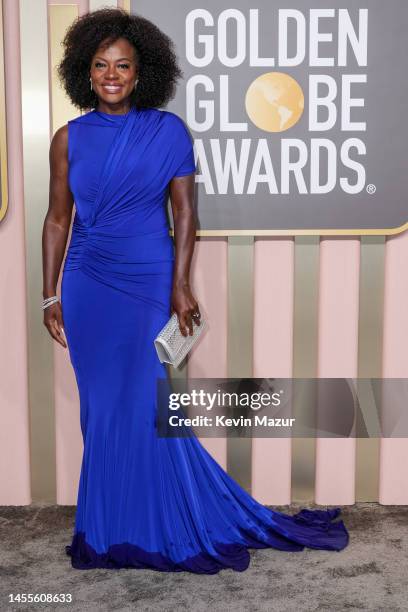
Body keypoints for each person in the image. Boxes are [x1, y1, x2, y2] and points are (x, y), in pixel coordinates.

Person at [42, 8, 349, 573]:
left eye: (124, 66)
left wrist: (180, 285)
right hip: (87, 283)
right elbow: (58, 219)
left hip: (147, 279)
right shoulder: (68, 139)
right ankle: (107, 529)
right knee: (102, 411)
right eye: (101, 65)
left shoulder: (168, 132)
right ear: (86, 74)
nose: (112, 75)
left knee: (145, 403)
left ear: (142, 74)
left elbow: (186, 215)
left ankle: (161, 523)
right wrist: (49, 294)